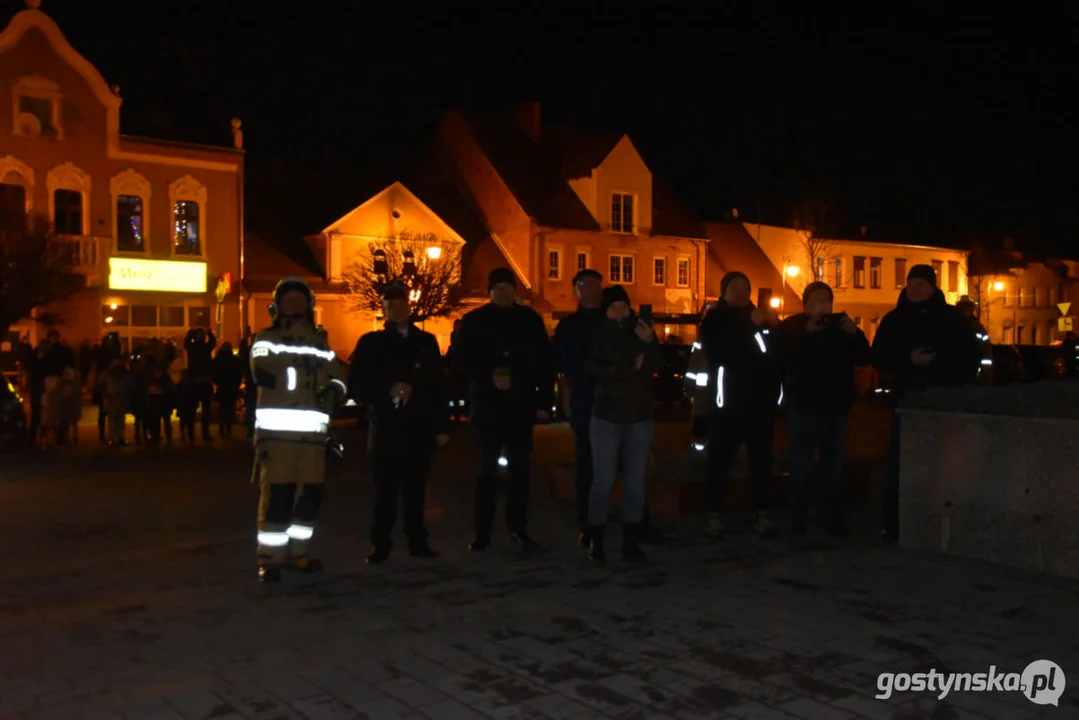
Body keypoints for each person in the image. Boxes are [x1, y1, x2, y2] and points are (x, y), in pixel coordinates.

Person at [871, 264, 981, 542]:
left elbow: (969, 357)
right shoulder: (894, 320)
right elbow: (880, 357)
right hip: (907, 400)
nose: (917, 289)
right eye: (912, 284)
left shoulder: (952, 319)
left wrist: (939, 363)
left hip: (945, 401)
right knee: (901, 462)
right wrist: (908, 361)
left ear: (933, 286)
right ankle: (895, 523)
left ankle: (945, 521)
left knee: (946, 463)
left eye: (922, 284)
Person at [250, 277, 346, 583]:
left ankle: (300, 552)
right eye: (288, 300)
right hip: (278, 438)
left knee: (310, 497)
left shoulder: (320, 342)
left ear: (309, 305)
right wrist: (311, 372)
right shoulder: (266, 337)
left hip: (314, 439)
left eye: (299, 300)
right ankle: (271, 559)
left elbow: (341, 375)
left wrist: (332, 388)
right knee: (277, 498)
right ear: (278, 306)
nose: (294, 305)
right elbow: (262, 370)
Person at [349, 280, 450, 564]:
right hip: (386, 428)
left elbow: (438, 386)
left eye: (401, 305)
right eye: (390, 306)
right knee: (385, 491)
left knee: (416, 489)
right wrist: (387, 389)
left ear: (409, 307)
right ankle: (380, 543)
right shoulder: (371, 344)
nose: (397, 310)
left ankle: (417, 540)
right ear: (383, 310)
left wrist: (442, 426)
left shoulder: (425, 342)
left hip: (419, 427)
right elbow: (357, 384)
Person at [453, 268, 553, 552]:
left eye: (507, 286)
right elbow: (461, 360)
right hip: (488, 407)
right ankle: (482, 531)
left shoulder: (530, 320)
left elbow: (544, 363)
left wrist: (544, 402)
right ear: (490, 291)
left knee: (520, 471)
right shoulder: (475, 321)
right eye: (497, 287)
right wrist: (486, 376)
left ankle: (518, 527)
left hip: (520, 407)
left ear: (514, 290)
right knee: (486, 471)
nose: (503, 292)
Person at [776, 282, 871, 536]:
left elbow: (863, 356)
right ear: (806, 303)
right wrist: (805, 333)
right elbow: (779, 354)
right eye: (817, 300)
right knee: (801, 462)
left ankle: (832, 516)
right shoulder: (793, 326)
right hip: (804, 405)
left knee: (833, 463)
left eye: (826, 300)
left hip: (835, 407)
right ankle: (798, 517)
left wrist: (854, 335)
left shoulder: (840, 326)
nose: (822, 306)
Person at [698, 271, 781, 538]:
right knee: (719, 460)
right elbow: (723, 352)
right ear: (723, 291)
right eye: (734, 286)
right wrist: (751, 328)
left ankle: (762, 512)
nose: (741, 291)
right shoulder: (714, 320)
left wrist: (771, 328)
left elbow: (770, 354)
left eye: (745, 286)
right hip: (728, 403)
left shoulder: (760, 318)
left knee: (761, 461)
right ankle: (713, 514)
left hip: (760, 404)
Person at [583, 285, 662, 562]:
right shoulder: (597, 333)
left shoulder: (640, 329)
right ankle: (596, 540)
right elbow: (594, 368)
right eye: (613, 307)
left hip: (638, 416)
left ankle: (631, 540)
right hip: (606, 416)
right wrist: (629, 369)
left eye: (623, 306)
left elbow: (656, 366)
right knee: (602, 481)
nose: (619, 312)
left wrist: (650, 342)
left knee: (635, 482)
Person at [552, 268, 606, 545]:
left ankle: (634, 519)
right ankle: (587, 519)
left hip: (615, 403)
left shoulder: (612, 321)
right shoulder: (569, 327)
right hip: (586, 400)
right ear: (576, 290)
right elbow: (561, 363)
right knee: (586, 462)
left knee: (624, 460)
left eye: (595, 283)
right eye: (584, 284)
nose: (590, 289)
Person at [183, 327, 217, 442]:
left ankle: (193, 434)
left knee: (194, 410)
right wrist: (209, 332)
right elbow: (213, 342)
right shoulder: (204, 347)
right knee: (202, 411)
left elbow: (186, 341)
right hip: (200, 382)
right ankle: (203, 435)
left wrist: (192, 332)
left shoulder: (193, 347)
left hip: (196, 382)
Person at [956, 295, 993, 382]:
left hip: (974, 370)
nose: (965, 309)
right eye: (963, 307)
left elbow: (986, 348)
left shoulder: (978, 327)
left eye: (967, 307)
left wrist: (985, 368)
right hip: (957, 370)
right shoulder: (953, 325)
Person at [213, 342, 243, 438]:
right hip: (229, 386)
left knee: (224, 407)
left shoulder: (219, 360)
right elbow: (238, 373)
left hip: (225, 386)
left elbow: (215, 373)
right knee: (228, 407)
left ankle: (224, 427)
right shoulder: (233, 360)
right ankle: (226, 427)